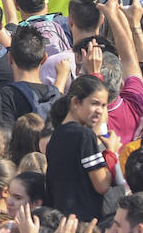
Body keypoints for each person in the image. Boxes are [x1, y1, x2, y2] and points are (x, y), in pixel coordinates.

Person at [45, 74, 117, 221]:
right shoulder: (84, 136)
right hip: (83, 222)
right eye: (95, 103)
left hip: (61, 219)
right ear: (76, 102)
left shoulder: (56, 135)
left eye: (103, 106)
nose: (100, 111)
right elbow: (102, 185)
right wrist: (111, 153)